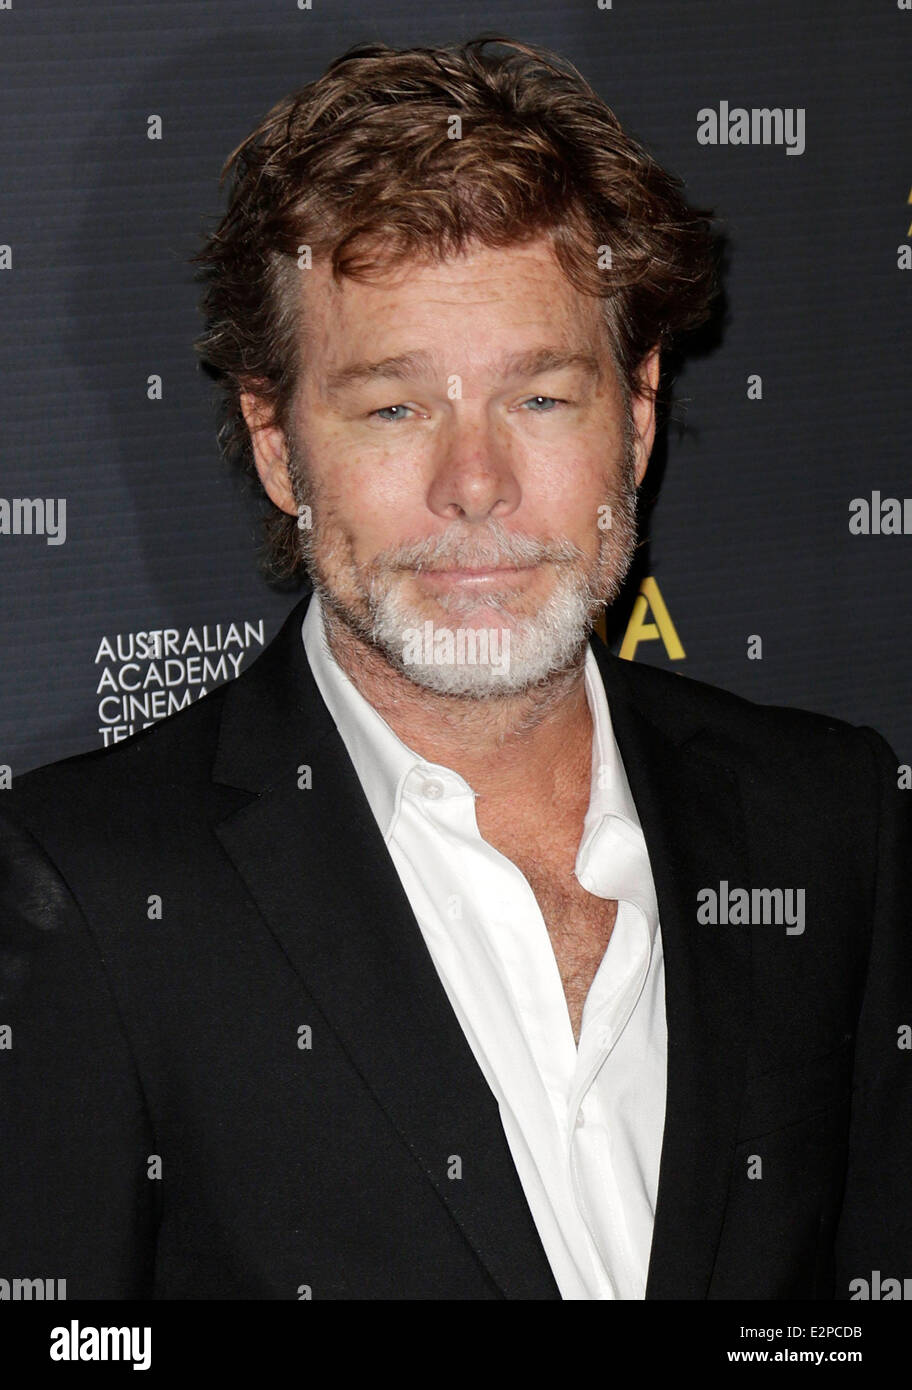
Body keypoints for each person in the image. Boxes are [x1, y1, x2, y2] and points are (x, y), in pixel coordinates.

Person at [1, 36, 909, 1301]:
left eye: (540, 399)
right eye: (394, 407)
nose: (474, 485)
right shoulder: (92, 888)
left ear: (639, 416)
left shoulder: (827, 817)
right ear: (277, 445)